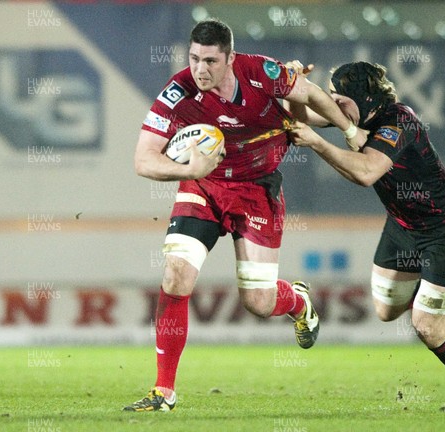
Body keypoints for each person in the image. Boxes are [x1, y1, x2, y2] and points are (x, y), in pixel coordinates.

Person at [123, 19, 365, 412]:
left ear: (230, 59)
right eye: (194, 58)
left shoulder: (261, 72)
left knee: (258, 301)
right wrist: (189, 172)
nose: (200, 69)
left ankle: (299, 302)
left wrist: (350, 131)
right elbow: (142, 159)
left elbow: (312, 96)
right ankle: (163, 391)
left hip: (257, 190)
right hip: (204, 186)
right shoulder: (177, 93)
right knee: (175, 274)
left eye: (211, 61)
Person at [288, 61, 445, 411]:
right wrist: (294, 86)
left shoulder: (399, 121)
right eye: (332, 97)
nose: (335, 105)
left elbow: (366, 172)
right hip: (403, 226)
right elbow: (300, 117)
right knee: (384, 310)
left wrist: (318, 145)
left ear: (364, 99)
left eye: (341, 99)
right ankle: (430, 297)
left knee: (425, 326)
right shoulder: (354, 114)